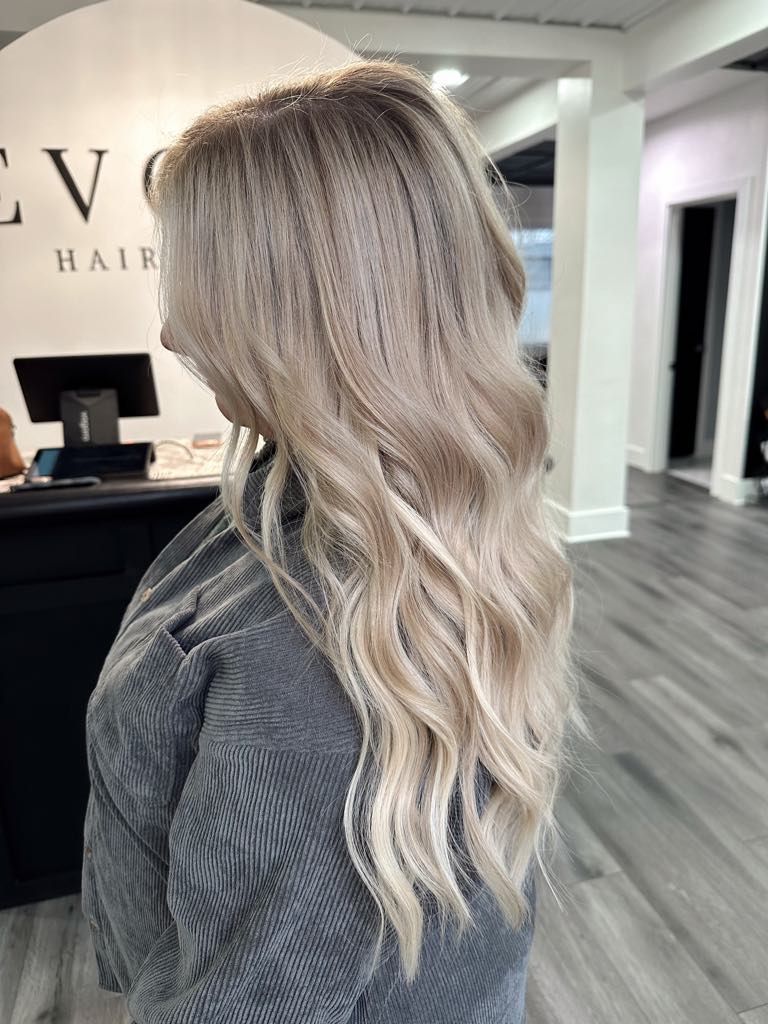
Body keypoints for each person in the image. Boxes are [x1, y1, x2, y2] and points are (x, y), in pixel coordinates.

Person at [82, 57, 578, 1023]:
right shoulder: (438, 524)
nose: (174, 330)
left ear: (297, 316)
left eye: (196, 282)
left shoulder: (302, 683)